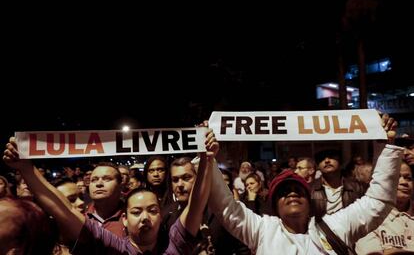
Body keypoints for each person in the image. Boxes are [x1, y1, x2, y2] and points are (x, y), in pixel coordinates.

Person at [207, 114, 403, 254]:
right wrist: (207, 158)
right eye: (284, 191)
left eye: (298, 190)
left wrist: (385, 145)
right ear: (275, 205)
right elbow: (225, 206)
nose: (292, 193)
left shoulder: (334, 227)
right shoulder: (262, 230)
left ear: (310, 201)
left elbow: (377, 202)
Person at [3, 128, 217, 255]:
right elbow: (65, 210)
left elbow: (196, 202)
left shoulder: (176, 244)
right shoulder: (115, 248)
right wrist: (27, 169)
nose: (145, 218)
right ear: (124, 219)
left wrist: (207, 159)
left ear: (161, 216)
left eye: (152, 210)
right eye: (136, 212)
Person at [355, 160, 414, 254]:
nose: (404, 182)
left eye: (408, 178)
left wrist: (391, 251)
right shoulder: (368, 217)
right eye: (396, 177)